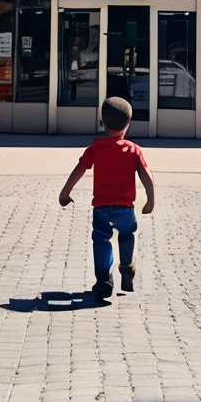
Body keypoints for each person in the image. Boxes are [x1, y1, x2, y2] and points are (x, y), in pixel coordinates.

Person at [58, 96, 155, 299]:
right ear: (128, 124)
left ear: (102, 122)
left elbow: (79, 169)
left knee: (101, 240)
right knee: (127, 235)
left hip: (101, 207)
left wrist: (65, 192)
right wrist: (150, 199)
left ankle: (104, 280)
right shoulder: (132, 149)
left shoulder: (97, 147)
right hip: (125, 207)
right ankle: (127, 268)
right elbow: (146, 175)